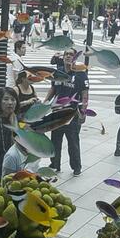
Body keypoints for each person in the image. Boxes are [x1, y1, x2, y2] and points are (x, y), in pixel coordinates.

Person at [46, 48, 89, 176]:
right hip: (57, 111)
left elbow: (85, 94)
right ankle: (55, 163)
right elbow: (53, 88)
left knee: (73, 141)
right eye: (66, 54)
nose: (68, 56)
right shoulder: (58, 71)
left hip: (72, 113)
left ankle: (76, 166)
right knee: (55, 140)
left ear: (75, 57)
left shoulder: (80, 74)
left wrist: (84, 111)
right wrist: (45, 102)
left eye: (71, 54)